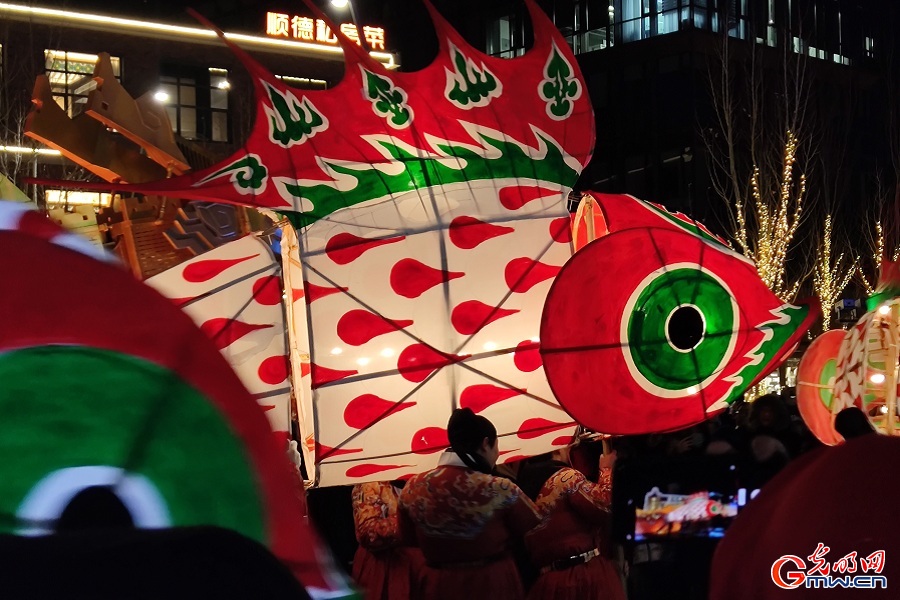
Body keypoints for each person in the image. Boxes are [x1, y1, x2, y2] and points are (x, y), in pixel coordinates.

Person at [399, 408, 541, 600]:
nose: (497, 455)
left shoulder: (412, 487)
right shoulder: (499, 488)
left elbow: (407, 538)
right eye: (496, 446)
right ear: (485, 444)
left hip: (437, 585)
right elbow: (535, 526)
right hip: (491, 584)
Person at [524, 444, 626, 600]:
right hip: (584, 575)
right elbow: (605, 507)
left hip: (548, 582)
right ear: (556, 449)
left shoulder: (519, 487)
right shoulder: (567, 477)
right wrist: (607, 470)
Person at [351, 480, 423, 600]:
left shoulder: (428, 480)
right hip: (385, 566)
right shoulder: (371, 483)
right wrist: (409, 520)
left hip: (422, 565)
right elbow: (368, 534)